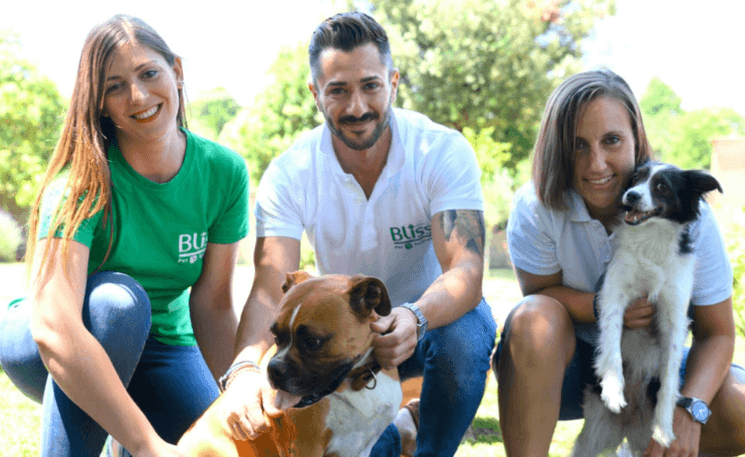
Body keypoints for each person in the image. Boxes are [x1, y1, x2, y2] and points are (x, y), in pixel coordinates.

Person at [215, 11, 496, 457]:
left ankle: (432, 449)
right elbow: (270, 288)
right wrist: (246, 366)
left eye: (370, 86)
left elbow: (466, 270)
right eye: (338, 91)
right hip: (343, 344)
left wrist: (414, 316)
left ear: (394, 81)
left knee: (468, 329)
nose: (357, 107)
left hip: (429, 326)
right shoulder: (290, 172)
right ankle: (399, 431)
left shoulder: (440, 149)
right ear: (315, 93)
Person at [0, 14, 249, 457]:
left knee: (220, 444)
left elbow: (212, 305)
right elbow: (54, 327)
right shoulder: (81, 182)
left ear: (177, 71)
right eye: (114, 86)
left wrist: (237, 394)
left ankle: (121, 429)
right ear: (99, 103)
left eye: (149, 73)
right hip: (49, 336)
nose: (137, 96)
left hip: (163, 344)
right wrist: (145, 443)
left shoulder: (223, 171)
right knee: (116, 304)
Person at [493, 69, 745, 457]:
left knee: (740, 406)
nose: (596, 165)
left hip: (660, 367)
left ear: (636, 138)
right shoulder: (536, 207)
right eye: (577, 145)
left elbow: (718, 334)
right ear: (557, 149)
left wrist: (690, 409)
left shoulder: (685, 212)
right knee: (532, 318)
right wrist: (607, 305)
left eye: (611, 141)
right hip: (571, 369)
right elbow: (541, 297)